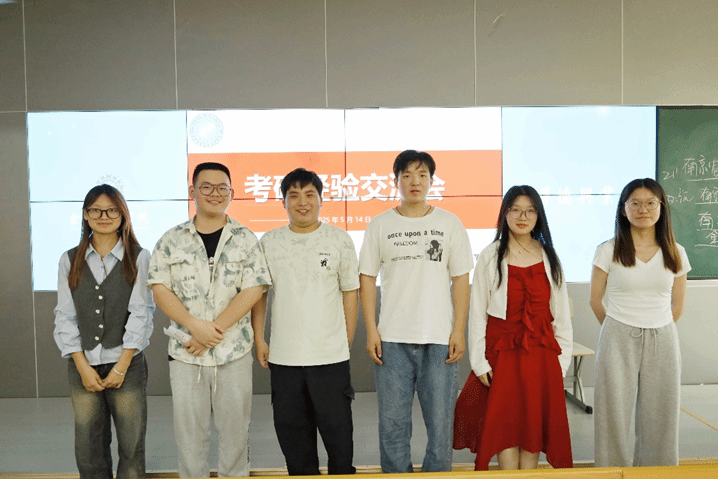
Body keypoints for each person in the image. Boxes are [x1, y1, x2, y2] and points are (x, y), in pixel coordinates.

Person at [148, 162, 271, 478]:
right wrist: (195, 326)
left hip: (234, 352)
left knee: (236, 432)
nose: (215, 193)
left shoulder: (246, 239)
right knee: (189, 435)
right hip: (187, 353)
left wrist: (212, 331)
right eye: (206, 187)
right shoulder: (171, 240)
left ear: (232, 193)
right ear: (193, 191)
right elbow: (160, 289)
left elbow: (254, 289)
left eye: (222, 188)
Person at [359, 150, 473, 473]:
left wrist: (458, 329)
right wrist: (371, 330)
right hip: (392, 340)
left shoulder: (449, 224)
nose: (415, 181)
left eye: (422, 175)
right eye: (407, 175)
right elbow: (366, 278)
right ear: (396, 180)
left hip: (439, 339)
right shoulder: (380, 225)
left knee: (440, 426)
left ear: (432, 180)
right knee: (392, 426)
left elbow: (460, 279)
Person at [453, 185, 573, 471]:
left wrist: (561, 363)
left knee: (532, 427)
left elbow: (562, 318)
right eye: (516, 210)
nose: (523, 217)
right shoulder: (490, 255)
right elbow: (478, 314)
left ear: (538, 216)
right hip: (502, 356)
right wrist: (479, 363)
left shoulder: (549, 256)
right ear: (505, 213)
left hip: (541, 357)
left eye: (530, 211)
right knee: (504, 426)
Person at [252, 168, 359, 475]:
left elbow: (350, 292)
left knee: (340, 443)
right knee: (295, 446)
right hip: (285, 359)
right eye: (294, 195)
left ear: (321, 200)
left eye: (310, 194)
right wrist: (259, 339)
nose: (302, 202)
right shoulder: (269, 242)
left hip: (330, 358)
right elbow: (259, 294)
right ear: (283, 202)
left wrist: (345, 341)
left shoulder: (339, 239)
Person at [54, 184, 155, 479]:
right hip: (82, 365)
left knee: (131, 447)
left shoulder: (139, 257)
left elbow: (141, 314)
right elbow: (65, 316)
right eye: (95, 210)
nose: (104, 216)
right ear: (85, 215)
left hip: (127, 364)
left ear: (123, 215)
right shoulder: (69, 259)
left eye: (111, 210)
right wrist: (82, 367)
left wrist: (121, 366)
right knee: (88, 448)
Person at [590, 178, 690, 467]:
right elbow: (595, 300)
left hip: (663, 336)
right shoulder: (608, 250)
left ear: (661, 208)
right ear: (624, 209)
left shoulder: (676, 251)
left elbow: (678, 305)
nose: (643, 210)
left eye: (650, 203)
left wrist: (656, 324)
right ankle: (611, 471)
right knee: (613, 411)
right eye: (635, 203)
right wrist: (617, 329)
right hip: (617, 334)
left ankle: (657, 471)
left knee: (661, 412)